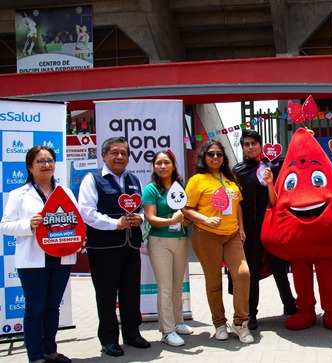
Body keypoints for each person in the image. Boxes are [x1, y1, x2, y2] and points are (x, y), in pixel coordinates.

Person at [0, 146, 75, 363]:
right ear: (30, 167)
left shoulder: (65, 191)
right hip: (33, 261)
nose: (46, 165)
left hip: (61, 257)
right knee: (35, 309)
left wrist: (78, 240)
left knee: (53, 307)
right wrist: (28, 224)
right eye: (40, 161)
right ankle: (35, 355)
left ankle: (50, 350)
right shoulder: (19, 194)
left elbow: (76, 222)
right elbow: (5, 225)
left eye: (50, 160)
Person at [78, 137, 150, 357]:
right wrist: (114, 224)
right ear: (103, 155)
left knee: (130, 291)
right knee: (106, 295)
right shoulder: (92, 179)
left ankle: (132, 333)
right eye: (114, 152)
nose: (120, 157)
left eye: (124, 153)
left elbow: (140, 208)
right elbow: (87, 213)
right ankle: (109, 340)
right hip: (104, 248)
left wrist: (140, 218)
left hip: (130, 245)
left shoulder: (133, 179)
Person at [183, 140, 254, 344]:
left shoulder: (230, 179)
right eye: (211, 154)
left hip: (232, 235)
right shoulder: (197, 180)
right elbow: (186, 209)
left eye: (219, 154)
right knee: (213, 282)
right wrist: (205, 219)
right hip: (206, 235)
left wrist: (241, 228)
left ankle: (240, 323)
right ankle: (219, 324)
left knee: (242, 274)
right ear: (204, 157)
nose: (215, 157)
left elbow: (238, 204)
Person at [232, 129, 297, 330]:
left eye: (254, 143)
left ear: (261, 145)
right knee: (251, 270)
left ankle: (289, 304)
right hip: (251, 229)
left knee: (279, 265)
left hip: (275, 225)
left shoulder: (276, 165)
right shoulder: (238, 170)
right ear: (242, 147)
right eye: (246, 144)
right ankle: (251, 313)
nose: (251, 147)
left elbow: (296, 160)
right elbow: (236, 202)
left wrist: (306, 136)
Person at [142, 151, 193, 347]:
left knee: (177, 285)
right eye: (158, 163)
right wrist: (172, 220)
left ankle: (178, 322)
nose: (163, 166)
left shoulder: (180, 188)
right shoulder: (151, 190)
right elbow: (151, 218)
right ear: (154, 167)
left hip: (180, 239)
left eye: (166, 163)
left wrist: (186, 219)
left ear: (173, 165)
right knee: (165, 287)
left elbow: (187, 212)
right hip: (159, 241)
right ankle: (167, 330)